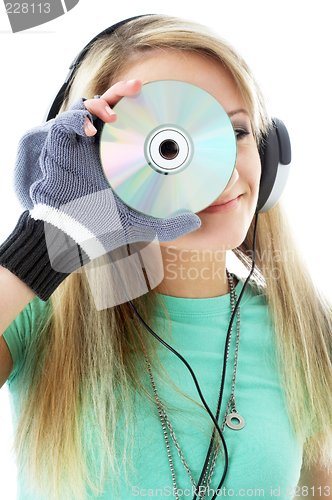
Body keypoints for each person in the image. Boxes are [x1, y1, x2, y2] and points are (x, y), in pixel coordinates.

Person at [0, 13, 332, 500]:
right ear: (98, 163)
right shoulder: (35, 318)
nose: (217, 170)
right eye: (172, 142)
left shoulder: (305, 330)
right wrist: (52, 235)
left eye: (235, 132)